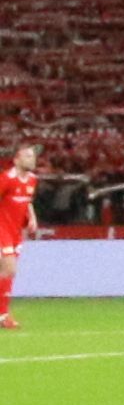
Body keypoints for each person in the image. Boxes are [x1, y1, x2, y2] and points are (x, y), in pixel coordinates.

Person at [0, 140, 35, 330]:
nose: (32, 159)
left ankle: (2, 315)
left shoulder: (32, 180)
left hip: (15, 232)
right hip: (2, 229)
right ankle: (3, 315)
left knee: (6, 274)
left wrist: (32, 217)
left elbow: (27, 200)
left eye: (33, 156)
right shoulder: (7, 178)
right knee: (10, 270)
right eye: (28, 156)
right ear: (16, 159)